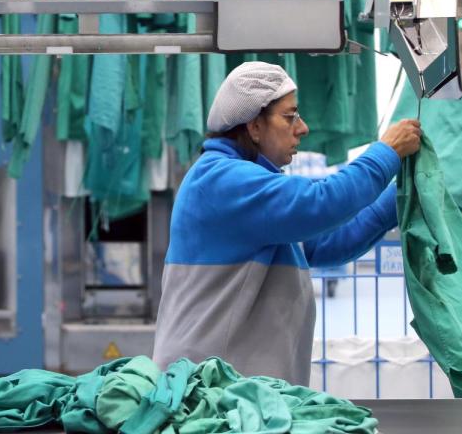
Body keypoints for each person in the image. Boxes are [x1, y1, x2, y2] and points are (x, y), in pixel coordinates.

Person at [152, 61, 421, 386]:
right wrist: (386, 152)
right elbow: (320, 202)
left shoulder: (249, 191)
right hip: (209, 394)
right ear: (253, 127)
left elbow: (328, 242)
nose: (303, 127)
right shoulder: (221, 180)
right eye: (290, 116)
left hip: (234, 392)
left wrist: (405, 194)